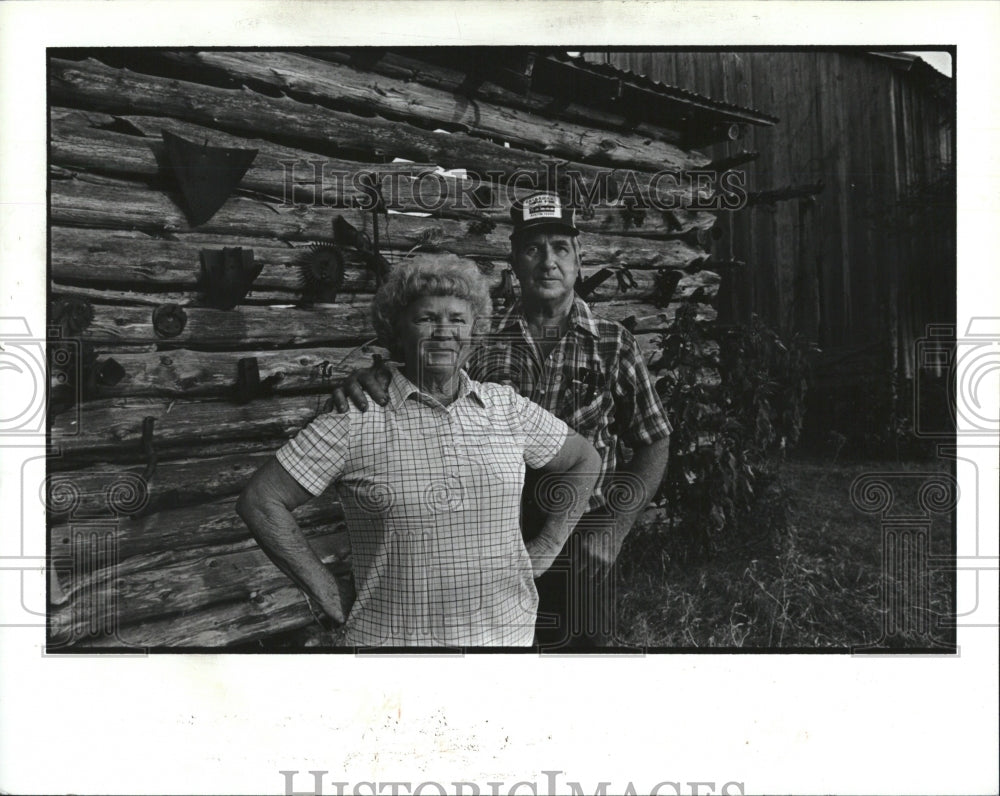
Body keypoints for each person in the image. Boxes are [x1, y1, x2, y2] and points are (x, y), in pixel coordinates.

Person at [331, 193, 672, 648]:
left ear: (578, 261)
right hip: (494, 533)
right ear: (514, 261)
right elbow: (421, 371)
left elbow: (655, 441)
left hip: (581, 533)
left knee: (581, 663)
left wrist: (613, 531)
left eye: (560, 248)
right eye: (533, 249)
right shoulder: (481, 339)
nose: (548, 262)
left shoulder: (613, 344)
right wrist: (370, 376)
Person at [237, 256, 600, 647]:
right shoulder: (357, 415)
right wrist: (325, 591)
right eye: (426, 318)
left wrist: (547, 546)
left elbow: (584, 460)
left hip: (506, 638)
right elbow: (261, 500)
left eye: (458, 319)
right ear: (398, 329)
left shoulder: (505, 407)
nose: (444, 332)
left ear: (474, 331)